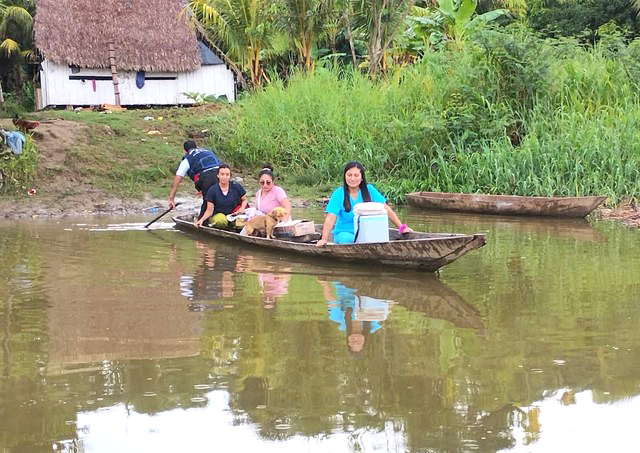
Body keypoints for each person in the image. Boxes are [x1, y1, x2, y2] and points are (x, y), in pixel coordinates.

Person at [316, 161, 413, 246]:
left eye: (356, 175)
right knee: (349, 240)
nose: (352, 179)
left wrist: (401, 227)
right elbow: (330, 218)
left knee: (377, 239)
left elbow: (386, 209)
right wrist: (324, 239)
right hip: (345, 233)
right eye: (349, 175)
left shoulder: (369, 190)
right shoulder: (338, 194)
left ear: (361, 177)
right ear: (345, 177)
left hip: (368, 233)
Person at [168, 140, 221, 217]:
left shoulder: (188, 157)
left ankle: (202, 221)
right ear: (197, 147)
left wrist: (171, 198)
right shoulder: (207, 151)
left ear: (184, 151)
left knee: (207, 203)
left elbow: (178, 177)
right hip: (222, 175)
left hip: (208, 178)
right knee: (221, 199)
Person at [194, 164, 248, 229]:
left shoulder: (236, 186)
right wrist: (201, 220)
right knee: (221, 221)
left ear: (230, 176)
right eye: (222, 174)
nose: (224, 177)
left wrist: (242, 208)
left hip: (233, 215)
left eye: (227, 175)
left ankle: (232, 227)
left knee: (242, 223)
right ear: (218, 175)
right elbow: (209, 211)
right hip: (218, 216)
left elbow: (244, 200)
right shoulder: (212, 190)